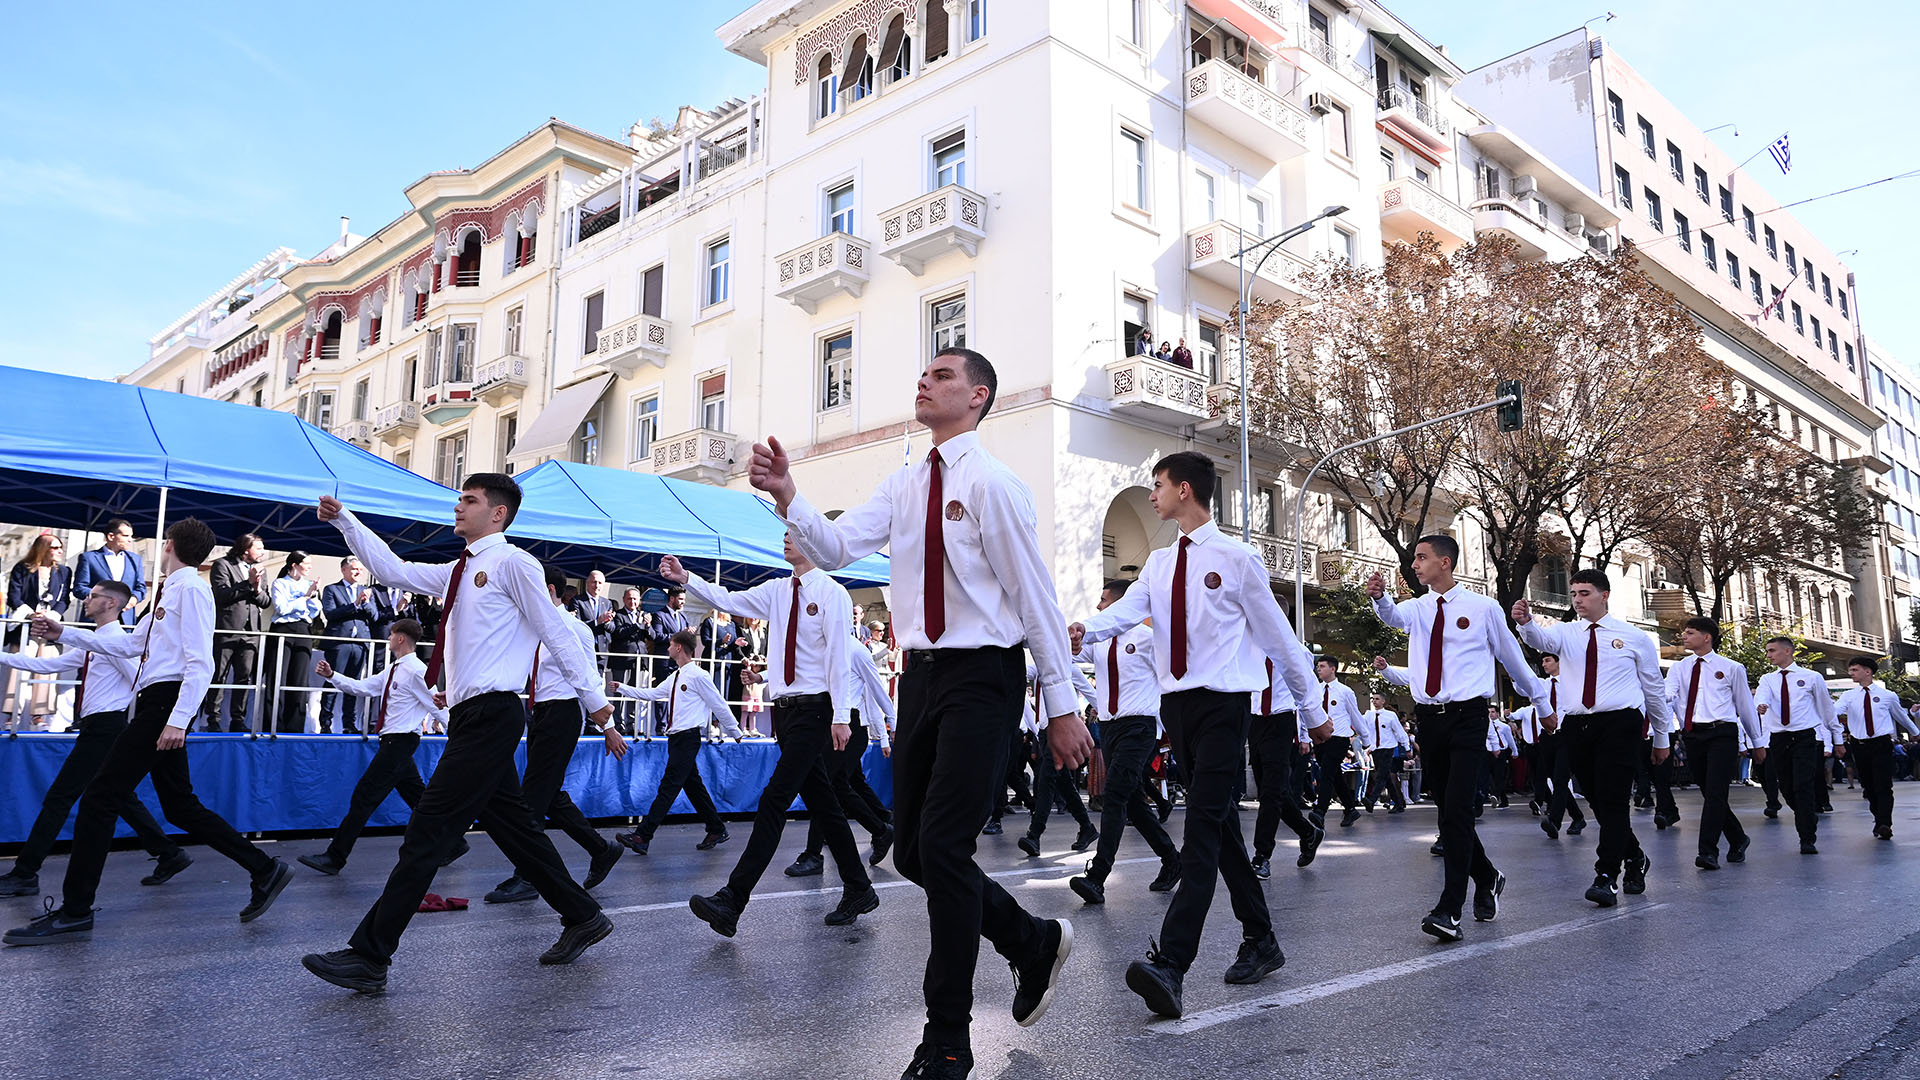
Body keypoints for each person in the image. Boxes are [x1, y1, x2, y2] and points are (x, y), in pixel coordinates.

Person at [752, 347, 1091, 1079]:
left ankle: (947, 1041)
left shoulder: (994, 485)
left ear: (977, 397)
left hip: (984, 678)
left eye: (941, 375)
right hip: (922, 679)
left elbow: (1034, 597)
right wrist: (788, 495)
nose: (923, 381)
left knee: (942, 849)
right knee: (913, 852)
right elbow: (838, 547)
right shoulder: (906, 482)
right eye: (924, 373)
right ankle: (1030, 941)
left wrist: (1060, 704)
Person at [298, 475, 618, 994]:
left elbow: (556, 633)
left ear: (498, 514)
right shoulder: (456, 570)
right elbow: (391, 568)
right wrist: (344, 522)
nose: (458, 507)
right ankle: (582, 914)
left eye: (469, 501)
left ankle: (370, 956)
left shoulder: (514, 563)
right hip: (470, 716)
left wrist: (597, 705)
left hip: (494, 715)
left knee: (427, 833)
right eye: (459, 498)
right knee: (517, 830)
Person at [1071, 450, 1326, 1020]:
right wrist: (1084, 628)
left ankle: (1172, 964)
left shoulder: (1237, 559)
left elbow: (1280, 639)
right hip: (1177, 711)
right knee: (1221, 830)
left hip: (1223, 708)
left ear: (1185, 489)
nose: (1153, 494)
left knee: (1202, 831)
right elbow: (1128, 612)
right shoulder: (1159, 564)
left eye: (1157, 485)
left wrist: (1313, 712)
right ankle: (1261, 939)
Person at [4, 519, 292, 945]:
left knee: (101, 796)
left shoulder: (191, 589)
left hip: (166, 703)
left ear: (170, 544)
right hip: (161, 701)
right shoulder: (172, 589)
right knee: (179, 806)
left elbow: (201, 661)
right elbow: (130, 644)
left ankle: (76, 910)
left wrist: (179, 718)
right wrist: (67, 634)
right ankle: (265, 869)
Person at [669, 535, 881, 936]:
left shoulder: (832, 593)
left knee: (774, 800)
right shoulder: (777, 591)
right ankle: (859, 887)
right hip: (784, 713)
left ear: (814, 542)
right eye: (783, 532)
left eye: (795, 533)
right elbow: (728, 599)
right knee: (825, 804)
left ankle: (733, 900)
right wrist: (687, 579)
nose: (785, 538)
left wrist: (840, 715)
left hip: (814, 711)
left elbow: (838, 655)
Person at [1367, 534, 1553, 942]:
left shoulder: (1483, 607)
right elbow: (1393, 618)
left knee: (1456, 811)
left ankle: (1449, 909)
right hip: (1430, 720)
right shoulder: (1417, 608)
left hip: (1468, 718)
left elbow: (1512, 658)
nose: (1414, 565)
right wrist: (1380, 599)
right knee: (1447, 814)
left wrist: (1541, 702)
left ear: (1445, 562)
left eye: (1421, 557)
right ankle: (1487, 877)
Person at [0, 581, 192, 898]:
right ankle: (169, 852)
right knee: (115, 795)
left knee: (60, 797)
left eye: (94, 596)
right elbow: (50, 665)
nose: (87, 600)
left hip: (107, 725)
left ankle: (26, 872)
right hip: (97, 726)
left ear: (112, 604)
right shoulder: (93, 641)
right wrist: (5, 659)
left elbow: (139, 679)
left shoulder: (116, 641)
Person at [1515, 568, 1669, 908]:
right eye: (1573, 594)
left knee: (1613, 800)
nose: (1578, 600)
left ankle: (1605, 875)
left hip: (1621, 724)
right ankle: (1635, 856)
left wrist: (1661, 736)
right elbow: (1540, 640)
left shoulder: (1634, 637)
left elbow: (1654, 691)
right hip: (1578, 725)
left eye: (1584, 593)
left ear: (1604, 595)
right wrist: (1526, 622)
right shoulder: (1567, 633)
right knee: (1598, 801)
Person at [479, 566, 628, 905]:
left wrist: (607, 727)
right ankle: (601, 849)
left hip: (564, 712)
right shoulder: (533, 628)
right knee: (549, 794)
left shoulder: (575, 628)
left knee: (531, 797)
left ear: (549, 590)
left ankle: (528, 876)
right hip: (540, 712)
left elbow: (590, 679)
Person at [297, 618, 465, 875]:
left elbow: (436, 706)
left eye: (391, 635)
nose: (388, 639)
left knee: (364, 797)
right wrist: (333, 676)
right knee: (419, 798)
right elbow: (364, 688)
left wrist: (461, 735)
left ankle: (335, 857)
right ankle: (453, 842)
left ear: (400, 638)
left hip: (400, 743)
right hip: (395, 743)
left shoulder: (416, 671)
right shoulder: (394, 669)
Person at [1066, 578, 1181, 905]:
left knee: (1114, 794)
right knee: (1131, 802)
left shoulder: (1147, 639)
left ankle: (1098, 875)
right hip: (1111, 728)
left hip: (1139, 727)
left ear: (1118, 605)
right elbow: (1071, 650)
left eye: (1103, 601)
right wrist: (1068, 637)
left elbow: (1170, 679)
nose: (1098, 607)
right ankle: (1173, 860)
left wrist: (1167, 730)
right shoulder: (1099, 641)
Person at [610, 629, 741, 853]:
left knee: (669, 786)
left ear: (679, 647)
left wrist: (735, 730)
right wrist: (622, 688)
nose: (668, 648)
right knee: (693, 786)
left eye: (670, 645)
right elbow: (651, 694)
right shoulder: (676, 676)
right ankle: (717, 828)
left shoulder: (699, 676)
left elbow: (718, 703)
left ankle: (643, 835)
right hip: (677, 738)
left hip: (688, 737)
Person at [786, 637, 899, 877]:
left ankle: (813, 854)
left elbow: (876, 689)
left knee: (823, 786)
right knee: (838, 787)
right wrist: (760, 678)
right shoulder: (822, 647)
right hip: (828, 724)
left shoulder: (856, 651)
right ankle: (880, 829)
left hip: (850, 727)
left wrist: (891, 723)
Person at [1664, 617, 1762, 870]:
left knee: (1717, 792)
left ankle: (1708, 851)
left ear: (1707, 637)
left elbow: (1745, 707)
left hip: (1722, 733)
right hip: (1693, 735)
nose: (1684, 637)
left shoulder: (1731, 667)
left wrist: (1757, 742)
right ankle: (1738, 838)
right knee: (1710, 793)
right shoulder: (1679, 668)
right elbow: (1668, 693)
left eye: (1690, 632)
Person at [1753, 636, 1844, 855]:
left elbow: (1826, 709)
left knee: (1803, 785)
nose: (1769, 655)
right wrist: (1761, 704)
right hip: (1779, 738)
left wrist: (1837, 738)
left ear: (1787, 651)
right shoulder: (1767, 679)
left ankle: (1807, 837)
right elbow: (1761, 696)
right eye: (1767, 651)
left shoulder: (1811, 677)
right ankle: (1806, 814)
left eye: (1772, 650)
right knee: (1786, 786)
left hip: (1804, 737)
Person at [1248, 655, 1325, 876]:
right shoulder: (1249, 644)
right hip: (1255, 721)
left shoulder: (1295, 649)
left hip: (1281, 720)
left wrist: (1305, 735)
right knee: (1272, 792)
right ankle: (1308, 832)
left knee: (1272, 793)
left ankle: (1262, 855)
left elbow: (1304, 692)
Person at [1016, 658, 1100, 858]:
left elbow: (1091, 693)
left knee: (1045, 781)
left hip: (1061, 734)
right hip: (1045, 734)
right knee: (1065, 785)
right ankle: (1087, 827)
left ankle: (1035, 835)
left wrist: (1107, 715)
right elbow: (1021, 673)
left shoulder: (1069, 668)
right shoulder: (1038, 667)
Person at [1834, 655, 1916, 841]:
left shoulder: (1887, 695)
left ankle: (1885, 823)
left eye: (1855, 670)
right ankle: (1878, 820)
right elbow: (1835, 711)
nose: (1851, 673)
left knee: (1883, 785)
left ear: (1867, 671)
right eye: (1851, 670)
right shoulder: (1848, 696)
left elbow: (1901, 717)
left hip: (1881, 744)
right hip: (1859, 745)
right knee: (1869, 786)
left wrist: (1915, 731)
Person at [6, 532, 72, 729]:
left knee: (47, 669)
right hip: (26, 625)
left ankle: (39, 715)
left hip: (49, 625)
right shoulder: (23, 568)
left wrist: (51, 616)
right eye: (55, 547)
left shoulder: (64, 571)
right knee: (17, 669)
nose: (60, 551)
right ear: (43, 548)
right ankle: (12, 714)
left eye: (61, 547)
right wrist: (31, 614)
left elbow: (64, 599)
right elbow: (14, 596)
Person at [208, 534, 270, 732]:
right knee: (219, 675)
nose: (263, 552)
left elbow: (266, 602)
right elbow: (222, 595)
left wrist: (257, 589)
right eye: (258, 548)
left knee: (244, 677)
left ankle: (238, 718)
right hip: (227, 629)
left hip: (251, 630)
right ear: (245, 549)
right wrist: (247, 584)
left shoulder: (262, 569)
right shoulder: (222, 565)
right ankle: (213, 718)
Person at [320, 557, 379, 734]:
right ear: (344, 570)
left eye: (360, 570)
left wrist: (366, 603)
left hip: (360, 643)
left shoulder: (366, 591)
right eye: (354, 569)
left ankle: (349, 723)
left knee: (352, 685)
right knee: (332, 682)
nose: (358, 572)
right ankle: (325, 723)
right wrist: (354, 605)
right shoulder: (332, 589)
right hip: (339, 642)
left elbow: (374, 616)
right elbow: (330, 613)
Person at [1312, 657, 1372, 826]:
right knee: (1334, 775)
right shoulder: (1316, 690)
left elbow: (1355, 715)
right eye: (1318, 666)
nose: (1319, 669)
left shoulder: (1345, 691)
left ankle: (1320, 811)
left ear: (1333, 669)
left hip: (1339, 738)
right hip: (1320, 738)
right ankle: (1350, 809)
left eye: (1322, 666)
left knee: (1326, 774)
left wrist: (1366, 739)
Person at [268, 551, 322, 733]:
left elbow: (314, 613)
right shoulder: (280, 583)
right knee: (277, 677)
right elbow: (282, 609)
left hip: (303, 630)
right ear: (294, 565)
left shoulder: (308, 584)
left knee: (299, 680)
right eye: (306, 563)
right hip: (283, 630)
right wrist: (304, 598)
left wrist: (313, 597)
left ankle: (295, 728)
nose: (309, 567)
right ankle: (273, 725)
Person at [71, 519, 145, 626]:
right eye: (125, 536)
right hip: (95, 620)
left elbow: (141, 588)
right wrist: (103, 598)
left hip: (125, 621)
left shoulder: (135, 560)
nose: (130, 540)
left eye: (131, 536)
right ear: (111, 536)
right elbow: (79, 588)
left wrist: (133, 599)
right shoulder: (89, 558)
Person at [1361, 691, 1411, 814]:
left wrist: (1407, 747)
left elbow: (1399, 732)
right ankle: (1399, 803)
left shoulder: (1390, 715)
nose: (1374, 701)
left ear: (1383, 701)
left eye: (1377, 699)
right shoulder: (1368, 715)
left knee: (1381, 775)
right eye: (1373, 699)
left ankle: (1371, 800)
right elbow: (1360, 726)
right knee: (1386, 777)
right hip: (1375, 749)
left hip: (1388, 748)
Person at [608, 588, 649, 733]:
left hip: (639, 660)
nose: (632, 602)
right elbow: (618, 633)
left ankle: (631, 724)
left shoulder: (642, 615)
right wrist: (636, 626)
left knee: (633, 693)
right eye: (630, 599)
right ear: (624, 599)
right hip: (622, 660)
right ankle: (618, 724)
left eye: (635, 599)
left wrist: (647, 626)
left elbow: (649, 636)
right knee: (619, 693)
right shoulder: (619, 615)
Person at [572, 570, 615, 662]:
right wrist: (597, 622)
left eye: (600, 583)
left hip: (601, 650)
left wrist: (607, 622)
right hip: (583, 648)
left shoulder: (607, 603)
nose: (597, 586)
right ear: (587, 583)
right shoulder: (577, 601)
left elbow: (612, 628)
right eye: (594, 582)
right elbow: (576, 626)